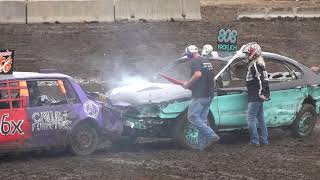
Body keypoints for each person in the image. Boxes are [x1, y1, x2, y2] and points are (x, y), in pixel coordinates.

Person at [182, 45, 220, 151]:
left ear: (190, 53)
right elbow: (212, 79)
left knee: (192, 117)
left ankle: (211, 135)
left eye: (187, 55)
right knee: (202, 121)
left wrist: (188, 84)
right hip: (209, 95)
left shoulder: (196, 61)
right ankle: (200, 146)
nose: (188, 57)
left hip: (200, 95)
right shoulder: (207, 62)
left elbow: (198, 75)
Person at [243, 42, 270, 146]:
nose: (246, 56)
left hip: (255, 96)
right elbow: (261, 81)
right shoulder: (260, 65)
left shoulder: (255, 65)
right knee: (261, 119)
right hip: (257, 96)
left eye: (247, 53)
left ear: (253, 53)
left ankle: (255, 141)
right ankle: (264, 140)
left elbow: (260, 81)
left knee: (250, 119)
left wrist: (261, 93)